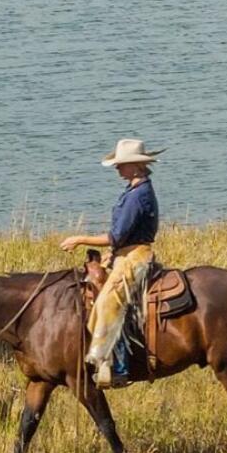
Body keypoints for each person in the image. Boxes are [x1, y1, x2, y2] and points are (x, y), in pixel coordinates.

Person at [62, 138, 161, 386]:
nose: (117, 168)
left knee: (109, 302)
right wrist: (114, 253)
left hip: (135, 257)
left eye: (121, 164)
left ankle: (119, 367)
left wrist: (81, 239)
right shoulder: (135, 190)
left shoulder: (137, 196)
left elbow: (116, 235)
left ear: (136, 166)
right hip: (127, 252)